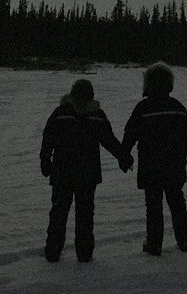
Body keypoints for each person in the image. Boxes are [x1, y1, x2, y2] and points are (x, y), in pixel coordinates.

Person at [40, 77, 131, 262]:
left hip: (63, 173)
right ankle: (83, 253)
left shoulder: (61, 112)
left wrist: (45, 159)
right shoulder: (96, 115)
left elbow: (48, 137)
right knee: (83, 213)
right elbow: (109, 140)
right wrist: (123, 157)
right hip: (86, 174)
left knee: (60, 212)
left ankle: (54, 251)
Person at [121, 62, 187, 255]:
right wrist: (182, 158)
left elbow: (130, 133)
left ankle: (154, 244)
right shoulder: (178, 108)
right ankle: (184, 240)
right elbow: (185, 138)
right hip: (174, 165)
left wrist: (124, 155)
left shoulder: (143, 108)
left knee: (153, 205)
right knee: (176, 201)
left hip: (151, 166)